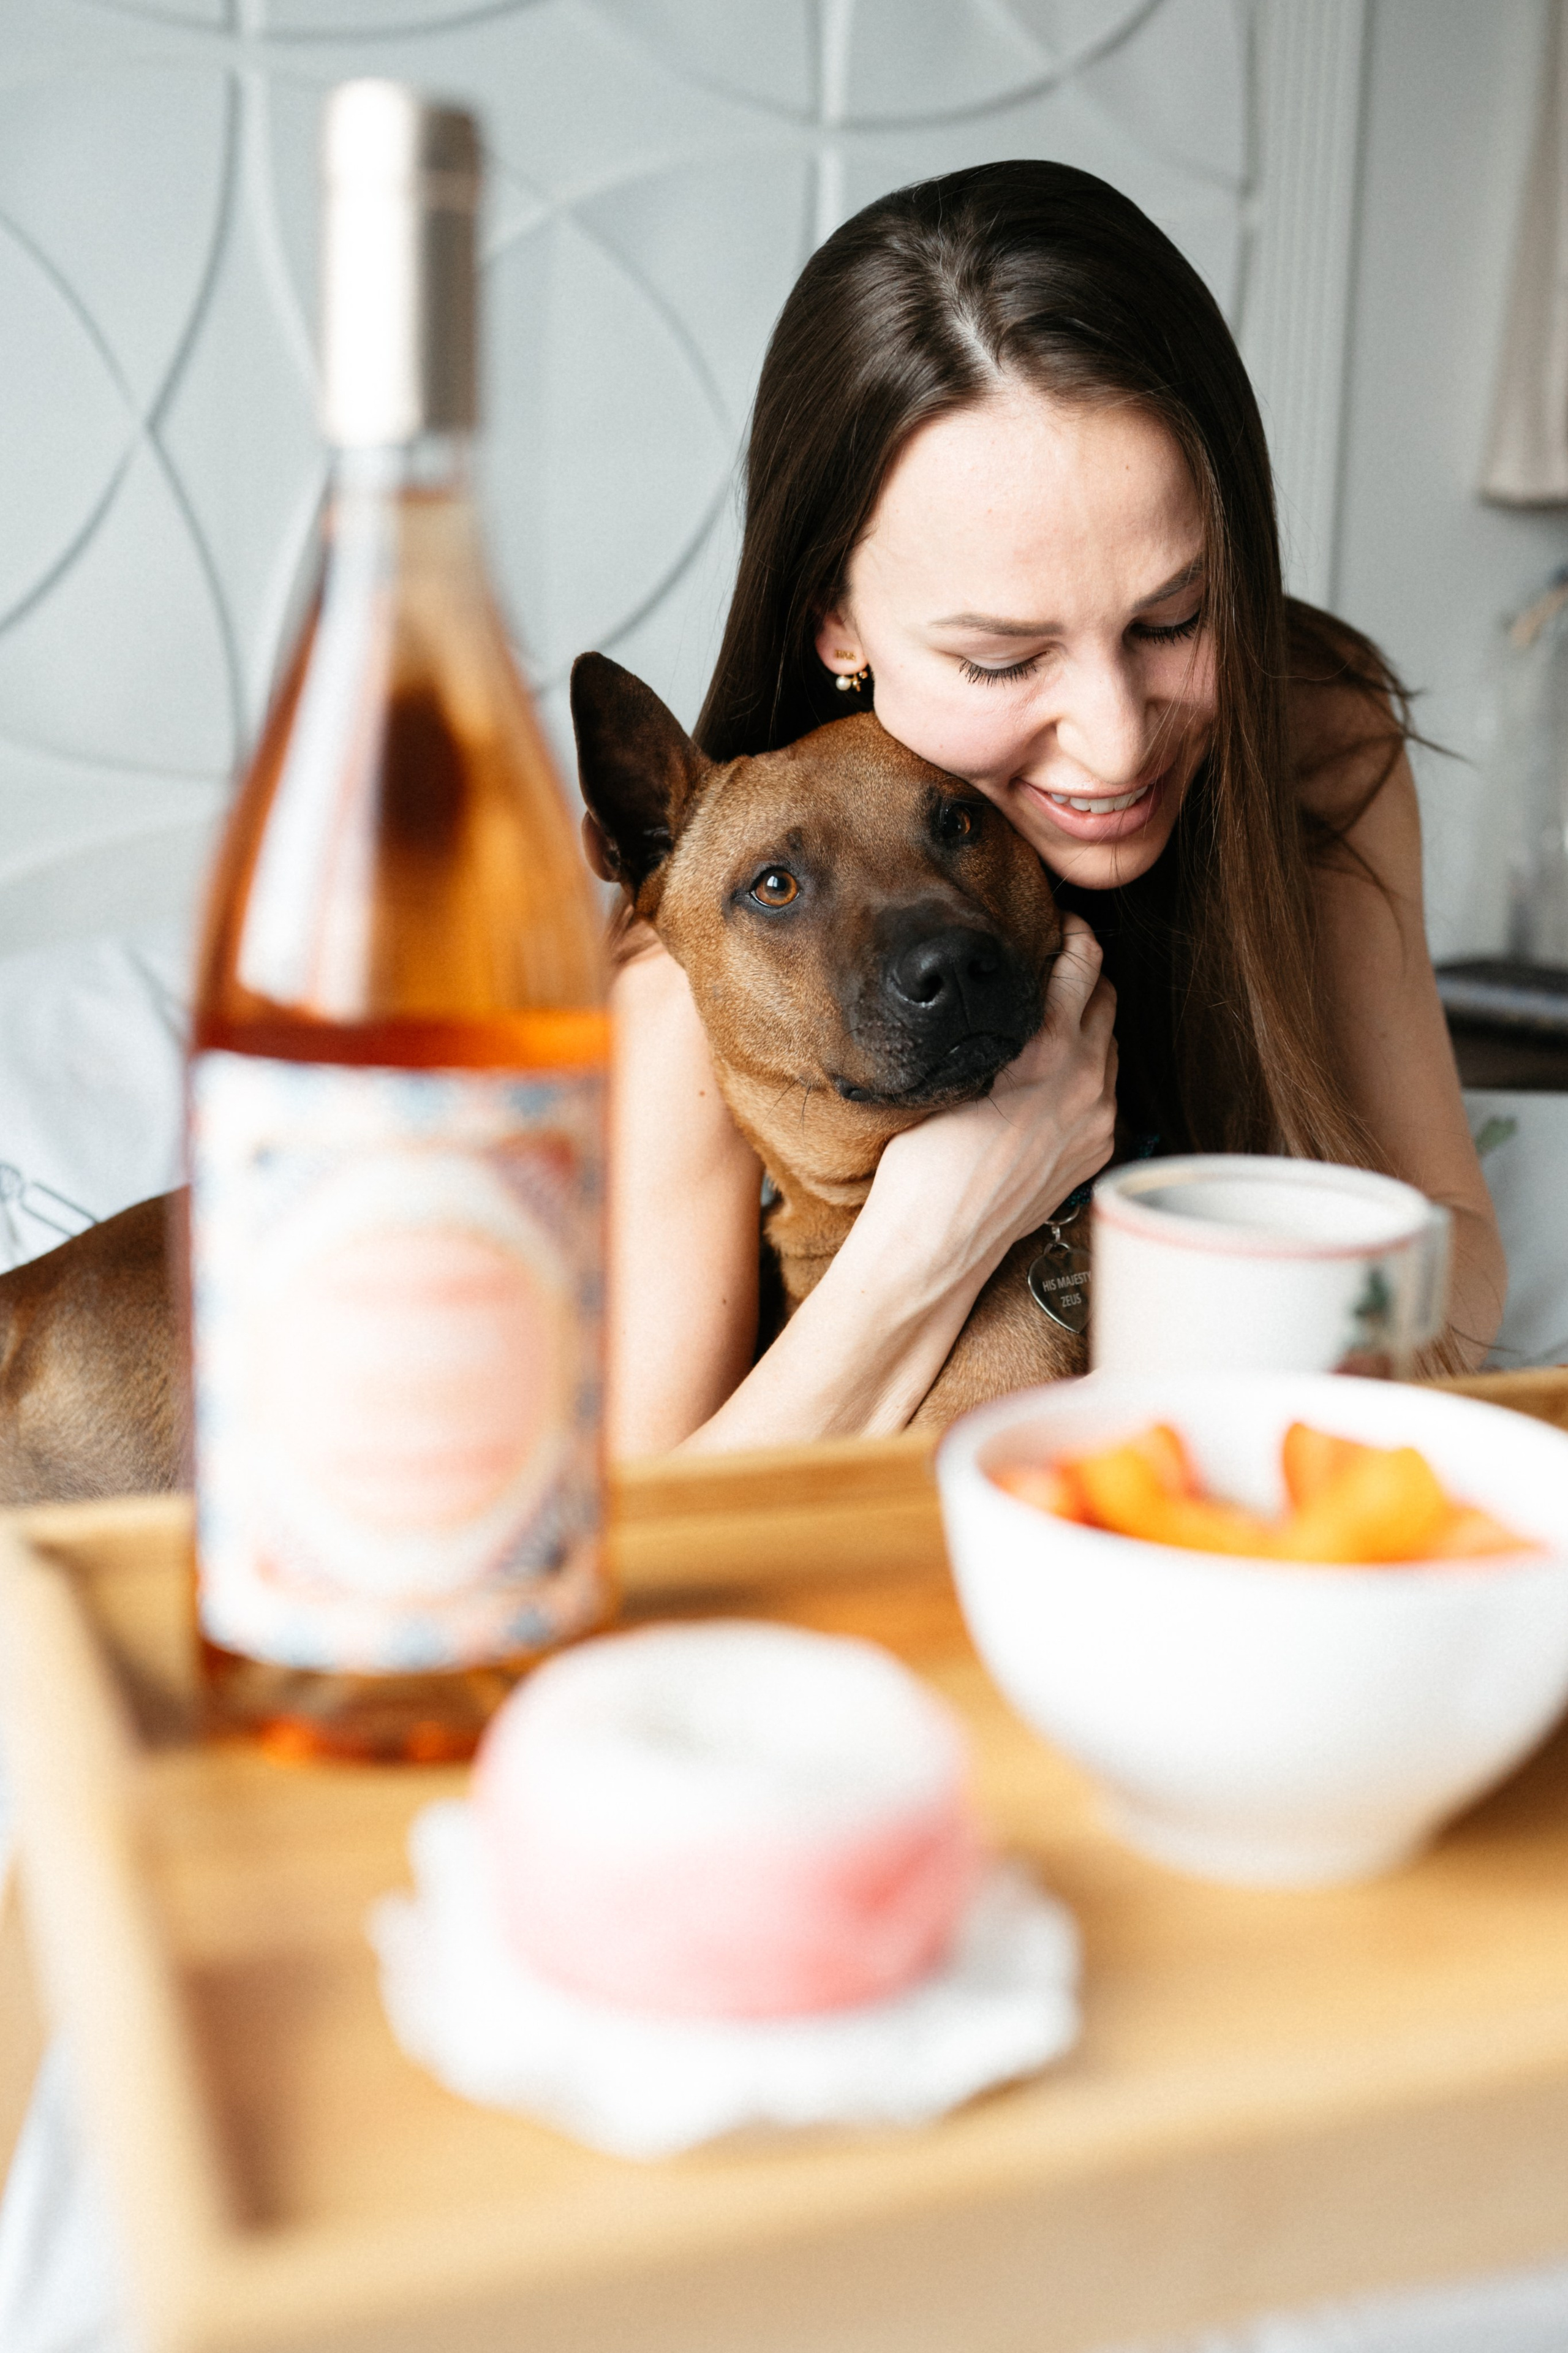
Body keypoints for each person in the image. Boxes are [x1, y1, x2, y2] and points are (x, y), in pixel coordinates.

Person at [606, 162, 1505, 1456]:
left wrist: (1197, 1375)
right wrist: (948, 1219)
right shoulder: (719, 944)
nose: (1115, 737)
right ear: (837, 620)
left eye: (1170, 618)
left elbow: (1451, 1239)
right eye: (1001, 657)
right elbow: (659, 1528)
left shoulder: (1307, 737)